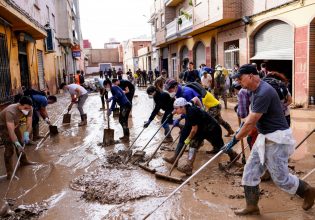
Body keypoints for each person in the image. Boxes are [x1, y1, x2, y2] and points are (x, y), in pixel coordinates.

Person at [224, 64, 315, 215]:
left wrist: (234, 139)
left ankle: (308, 191)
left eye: (240, 78)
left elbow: (252, 121)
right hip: (265, 136)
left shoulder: (263, 92)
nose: (238, 81)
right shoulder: (253, 91)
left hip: (277, 138)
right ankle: (252, 206)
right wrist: (240, 130)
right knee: (250, 171)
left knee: (281, 179)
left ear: (251, 76)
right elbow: (250, 119)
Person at [170, 98, 239, 175]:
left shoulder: (191, 112)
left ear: (182, 107)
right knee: (193, 144)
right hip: (202, 130)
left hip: (212, 129)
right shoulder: (187, 109)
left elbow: (194, 129)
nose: (175, 110)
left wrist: (188, 138)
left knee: (220, 146)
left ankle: (234, 155)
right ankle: (188, 167)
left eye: (176, 109)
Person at [0, 96, 36, 180]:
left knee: (21, 141)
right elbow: (11, 131)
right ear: (20, 105)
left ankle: (23, 161)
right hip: (3, 126)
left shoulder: (30, 108)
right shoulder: (10, 111)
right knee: (9, 148)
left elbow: (29, 124)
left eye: (29, 108)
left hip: (15, 124)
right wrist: (16, 144)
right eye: (25, 108)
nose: (27, 110)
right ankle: (10, 173)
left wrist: (26, 134)